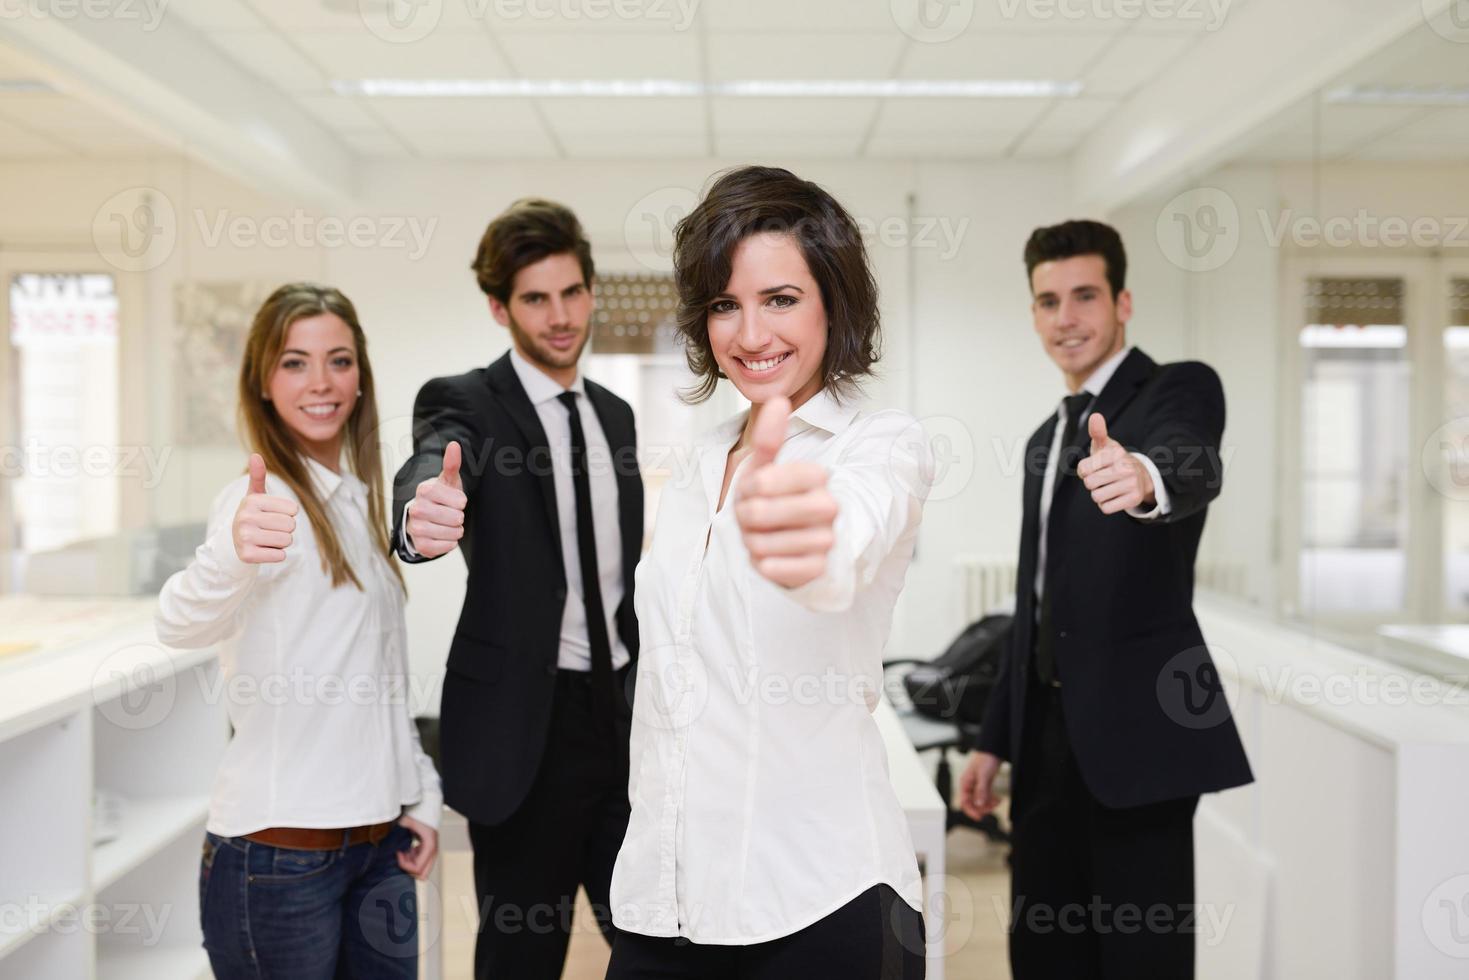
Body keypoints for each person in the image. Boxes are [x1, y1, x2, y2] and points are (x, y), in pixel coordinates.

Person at [606, 165, 930, 980]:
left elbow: (841, 549)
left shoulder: (880, 445)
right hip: (663, 897)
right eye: (724, 304)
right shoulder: (699, 460)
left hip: (819, 901)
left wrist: (806, 548)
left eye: (780, 299)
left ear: (833, 302)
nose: (749, 335)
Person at [959, 219, 1254, 978]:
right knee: (1045, 955)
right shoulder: (1040, 441)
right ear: (1032, 314)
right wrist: (994, 737)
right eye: (1047, 300)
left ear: (1122, 302)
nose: (1066, 317)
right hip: (1044, 747)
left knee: (1139, 961)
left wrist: (1146, 479)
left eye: (1084, 295)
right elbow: (1031, 608)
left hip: (1137, 744)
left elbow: (1190, 455)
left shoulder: (1175, 387)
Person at [156, 282, 441, 980]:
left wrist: (420, 795)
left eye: (339, 361)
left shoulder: (359, 503)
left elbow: (376, 681)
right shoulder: (257, 504)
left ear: (360, 376)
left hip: (377, 849)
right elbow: (177, 623)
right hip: (277, 859)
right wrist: (230, 553)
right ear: (262, 381)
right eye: (294, 362)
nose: (321, 382)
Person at [391, 198, 643, 979]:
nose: (560, 316)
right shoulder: (466, 400)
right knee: (520, 957)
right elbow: (435, 458)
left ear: (592, 291)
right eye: (536, 298)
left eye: (572, 292)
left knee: (656, 940)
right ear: (500, 308)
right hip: (526, 737)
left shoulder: (617, 417)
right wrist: (421, 512)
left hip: (625, 720)